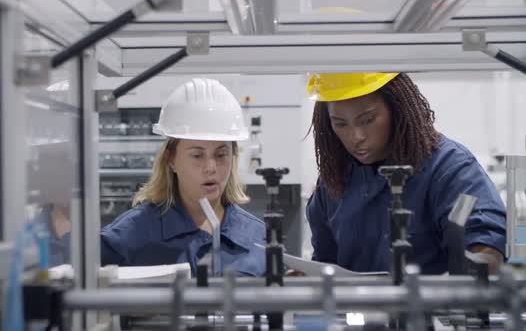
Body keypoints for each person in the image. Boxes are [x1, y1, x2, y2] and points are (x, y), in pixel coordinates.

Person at [305, 72, 506, 275]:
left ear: (397, 108)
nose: (356, 137)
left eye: (367, 120)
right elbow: (325, 263)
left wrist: (477, 265)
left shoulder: (449, 168)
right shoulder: (334, 180)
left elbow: (485, 245)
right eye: (340, 124)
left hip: (433, 306)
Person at [100, 78, 266, 277]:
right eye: (197, 155)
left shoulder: (256, 236)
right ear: (171, 160)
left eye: (221, 154)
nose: (211, 168)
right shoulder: (131, 235)